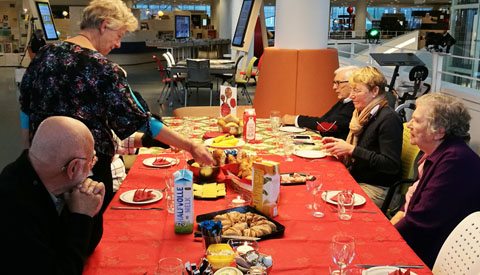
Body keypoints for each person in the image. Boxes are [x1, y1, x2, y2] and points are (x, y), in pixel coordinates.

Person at [19, 0, 213, 217]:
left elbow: (25, 105)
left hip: (42, 164)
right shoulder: (102, 68)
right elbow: (143, 120)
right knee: (84, 232)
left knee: (47, 226)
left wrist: (28, 145)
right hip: (85, 172)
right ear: (104, 25)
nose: (119, 44)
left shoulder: (45, 54)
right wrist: (191, 146)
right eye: (119, 35)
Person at [0, 116, 105, 274]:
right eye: (92, 161)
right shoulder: (14, 206)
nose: (91, 168)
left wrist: (91, 212)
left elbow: (86, 248)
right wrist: (82, 217)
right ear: (73, 168)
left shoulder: (47, 178)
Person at [391, 94, 480, 269]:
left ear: (439, 132)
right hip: (422, 242)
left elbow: (419, 222)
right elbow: (410, 205)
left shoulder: (454, 161)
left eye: (416, 121)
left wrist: (383, 239)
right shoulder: (437, 154)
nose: (409, 125)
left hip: (434, 257)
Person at [322, 66, 403, 207]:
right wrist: (340, 147)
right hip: (360, 179)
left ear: (375, 91)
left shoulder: (389, 119)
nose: (351, 95)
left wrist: (351, 150)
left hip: (378, 189)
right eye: (352, 90)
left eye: (357, 91)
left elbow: (391, 165)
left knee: (326, 203)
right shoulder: (361, 115)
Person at [281, 66, 358, 139]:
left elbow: (328, 125)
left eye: (338, 83)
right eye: (334, 83)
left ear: (352, 84)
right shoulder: (344, 102)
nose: (334, 87)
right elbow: (323, 120)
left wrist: (296, 119)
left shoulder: (355, 105)